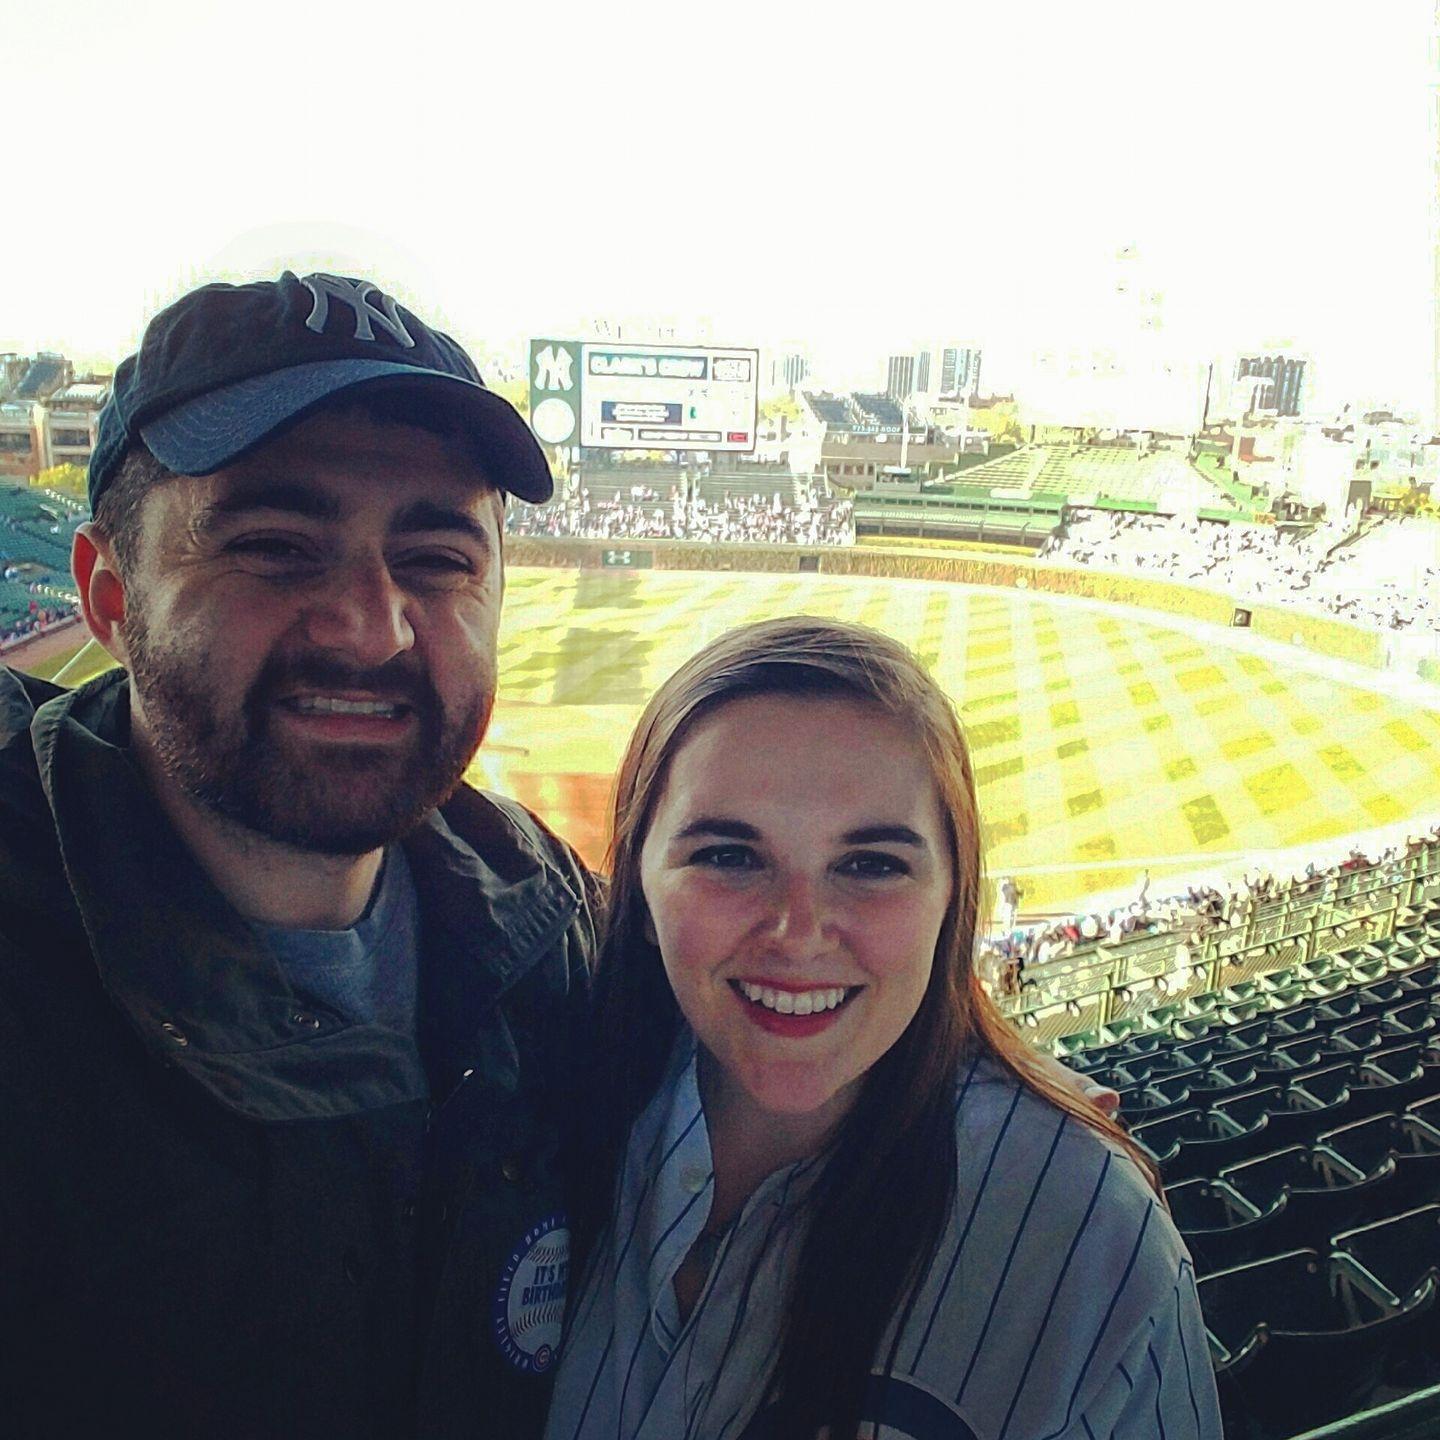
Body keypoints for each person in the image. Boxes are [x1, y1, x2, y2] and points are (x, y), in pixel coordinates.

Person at [0, 273, 599, 1438]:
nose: (370, 626)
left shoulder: (556, 928)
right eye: (276, 547)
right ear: (109, 595)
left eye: (436, 558)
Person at [548, 616, 1221, 1440]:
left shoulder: (1094, 1235)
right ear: (642, 891)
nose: (798, 931)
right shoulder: (523, 1126)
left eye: (871, 864)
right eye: (728, 855)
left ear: (952, 900)